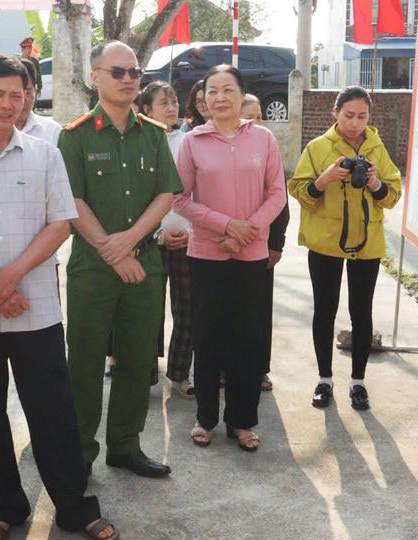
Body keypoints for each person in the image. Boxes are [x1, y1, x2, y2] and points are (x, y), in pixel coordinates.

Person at [0, 54, 118, 540]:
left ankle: (75, 508)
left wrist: (8, 279)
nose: (8, 104)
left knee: (53, 414)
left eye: (18, 94)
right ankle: (6, 507)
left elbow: (61, 222)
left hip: (33, 307)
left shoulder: (44, 153)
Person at [58, 41, 182, 478]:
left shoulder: (154, 133)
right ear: (96, 77)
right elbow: (70, 200)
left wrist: (128, 242)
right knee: (85, 362)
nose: (129, 79)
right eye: (118, 72)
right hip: (92, 268)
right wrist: (112, 252)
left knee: (136, 360)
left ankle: (125, 446)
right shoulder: (73, 136)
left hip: (144, 265)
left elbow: (166, 193)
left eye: (134, 72)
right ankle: (79, 451)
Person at [172, 65, 286, 451]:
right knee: (209, 339)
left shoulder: (264, 139)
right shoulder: (193, 142)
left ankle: (242, 420)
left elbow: (277, 194)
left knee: (247, 341)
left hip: (251, 255)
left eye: (228, 90)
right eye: (212, 91)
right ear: (203, 100)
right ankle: (205, 418)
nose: (220, 98)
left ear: (241, 95)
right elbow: (179, 198)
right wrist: (225, 227)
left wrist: (247, 230)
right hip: (207, 254)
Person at [288, 86, 402, 412]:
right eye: (348, 115)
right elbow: (299, 190)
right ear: (334, 113)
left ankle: (358, 383)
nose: (355, 123)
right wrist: (323, 179)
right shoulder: (318, 147)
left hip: (367, 242)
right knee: (324, 310)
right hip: (325, 241)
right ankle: (325, 380)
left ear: (370, 117)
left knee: (361, 312)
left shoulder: (377, 149)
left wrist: (376, 183)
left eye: (362, 116)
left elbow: (392, 195)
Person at [138, 81, 194, 398]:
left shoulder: (190, 142)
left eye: (174, 101)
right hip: (148, 242)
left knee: (187, 309)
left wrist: (190, 231)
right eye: (163, 102)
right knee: (149, 310)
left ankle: (180, 373)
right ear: (146, 109)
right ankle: (144, 375)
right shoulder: (139, 143)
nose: (171, 107)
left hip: (187, 240)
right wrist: (157, 233)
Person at [241, 93, 290, 393]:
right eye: (250, 116)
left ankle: (259, 370)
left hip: (261, 245)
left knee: (259, 310)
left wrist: (276, 243)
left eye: (260, 116)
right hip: (225, 245)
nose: (257, 122)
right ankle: (225, 367)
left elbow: (280, 202)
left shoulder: (268, 147)